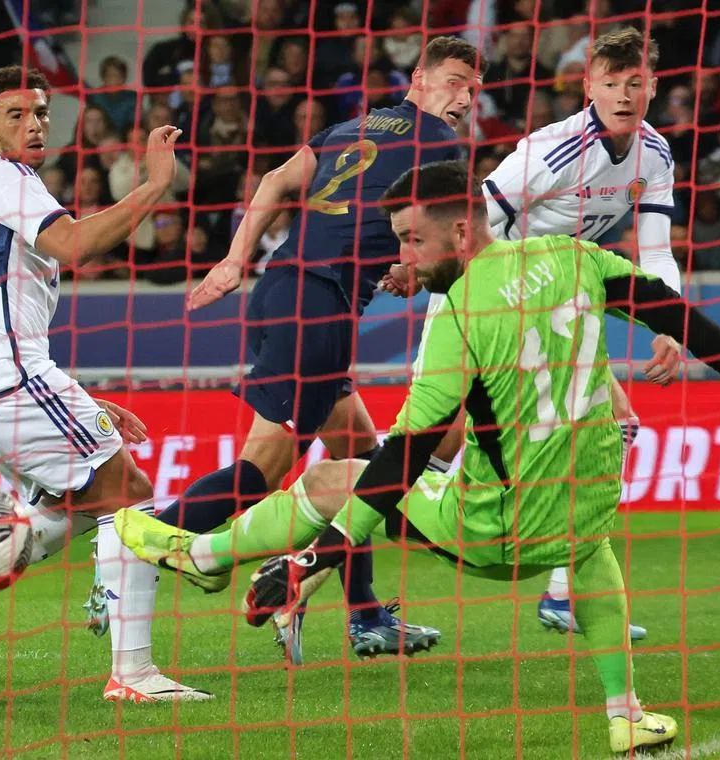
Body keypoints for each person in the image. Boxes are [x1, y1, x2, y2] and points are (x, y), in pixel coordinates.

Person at [113, 160, 720, 752]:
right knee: (591, 552)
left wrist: (314, 560)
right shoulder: (573, 257)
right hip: (582, 508)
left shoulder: (459, 316)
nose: (404, 258)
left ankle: (204, 558)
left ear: (460, 229)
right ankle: (625, 715)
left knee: (334, 474)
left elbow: (406, 460)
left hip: (493, 531)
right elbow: (669, 311)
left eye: (412, 240)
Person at [154, 36, 481, 666]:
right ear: (418, 77)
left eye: (472, 88)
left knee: (361, 461)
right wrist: (414, 267)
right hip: (319, 305)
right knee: (262, 474)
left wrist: (231, 262)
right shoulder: (439, 145)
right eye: (454, 81)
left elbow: (276, 180)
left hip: (282, 288)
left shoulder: (351, 126)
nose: (463, 97)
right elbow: (437, 238)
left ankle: (364, 615)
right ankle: (135, 549)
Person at [0, 65, 211, 703]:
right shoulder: (5, 178)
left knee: (79, 502)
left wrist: (79, 397)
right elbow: (77, 246)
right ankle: (131, 673)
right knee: (126, 489)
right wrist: (156, 185)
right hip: (3, 377)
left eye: (42, 113)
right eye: (16, 115)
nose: (33, 125)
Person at [392, 27, 684, 641]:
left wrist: (671, 321)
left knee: (618, 425)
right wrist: (426, 270)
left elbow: (655, 252)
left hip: (558, 300)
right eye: (610, 83)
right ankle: (313, 565)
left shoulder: (655, 155)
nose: (624, 94)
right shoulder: (551, 151)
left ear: (653, 86)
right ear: (588, 87)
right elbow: (473, 220)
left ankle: (561, 594)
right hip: (490, 299)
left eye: (635, 83)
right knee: (423, 446)